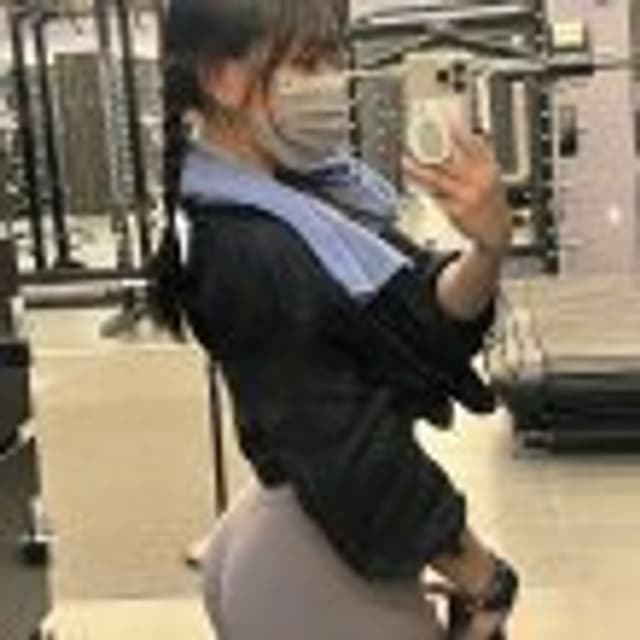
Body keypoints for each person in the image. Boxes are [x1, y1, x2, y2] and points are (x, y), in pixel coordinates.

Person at [150, 0, 519, 638]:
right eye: (306, 62)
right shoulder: (246, 247)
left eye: (332, 59)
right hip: (318, 558)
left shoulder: (301, 196)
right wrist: (482, 574)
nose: (330, 82)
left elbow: (415, 310)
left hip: (300, 536)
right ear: (223, 79)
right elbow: (352, 457)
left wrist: (487, 247)